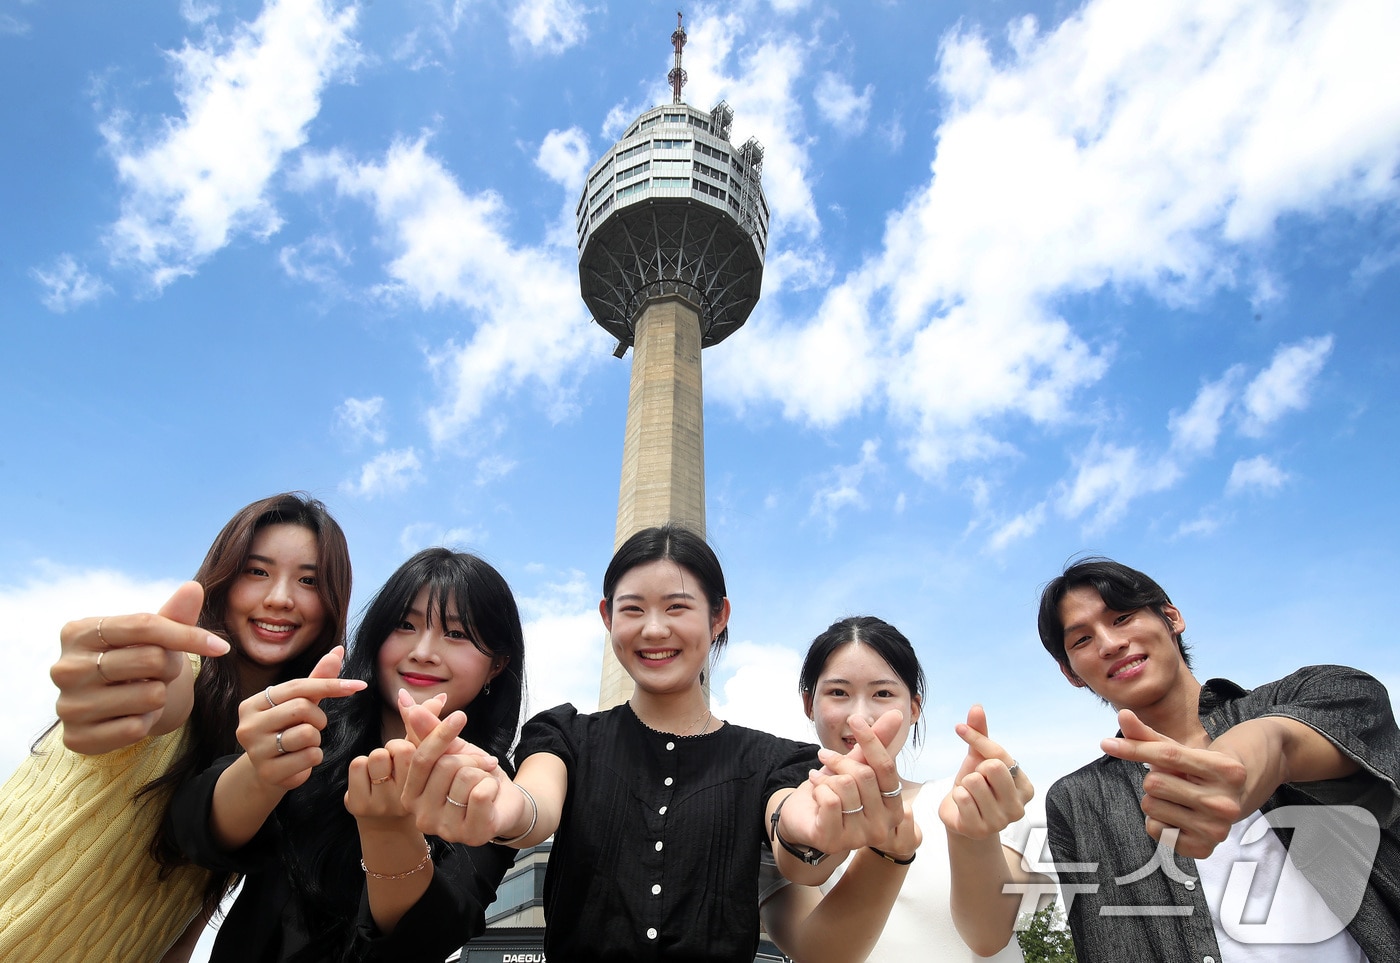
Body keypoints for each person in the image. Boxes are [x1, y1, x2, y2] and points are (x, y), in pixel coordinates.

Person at [397, 524, 908, 963]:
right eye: (633, 608)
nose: (654, 628)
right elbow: (534, 805)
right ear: (607, 617)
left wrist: (813, 829)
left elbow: (793, 831)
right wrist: (498, 807)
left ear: (718, 617)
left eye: (677, 607)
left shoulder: (776, 760)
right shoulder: (565, 734)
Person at [0, 492, 352, 962]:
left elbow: (188, 912)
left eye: (309, 580)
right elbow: (163, 698)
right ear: (224, 577)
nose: (280, 598)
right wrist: (124, 684)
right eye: (257, 571)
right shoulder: (175, 673)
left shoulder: (286, 746)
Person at [169, 547, 525, 962]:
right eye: (404, 625)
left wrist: (389, 828)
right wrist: (262, 770)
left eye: (456, 633)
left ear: (497, 665)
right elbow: (194, 834)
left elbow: (427, 936)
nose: (424, 650)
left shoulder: (489, 781)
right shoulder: (318, 722)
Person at [1039, 556, 1400, 962]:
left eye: (1122, 617)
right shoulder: (1075, 800)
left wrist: (1244, 762)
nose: (1109, 643)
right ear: (1070, 672)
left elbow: (1286, 739)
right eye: (1082, 640)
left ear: (1172, 618)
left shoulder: (1316, 690)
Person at [760, 615, 1044, 962]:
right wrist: (884, 854)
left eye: (882, 693)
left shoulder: (976, 797)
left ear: (913, 709)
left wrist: (971, 834)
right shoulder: (790, 816)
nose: (860, 717)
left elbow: (989, 937)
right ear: (809, 705)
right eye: (838, 693)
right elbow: (817, 953)